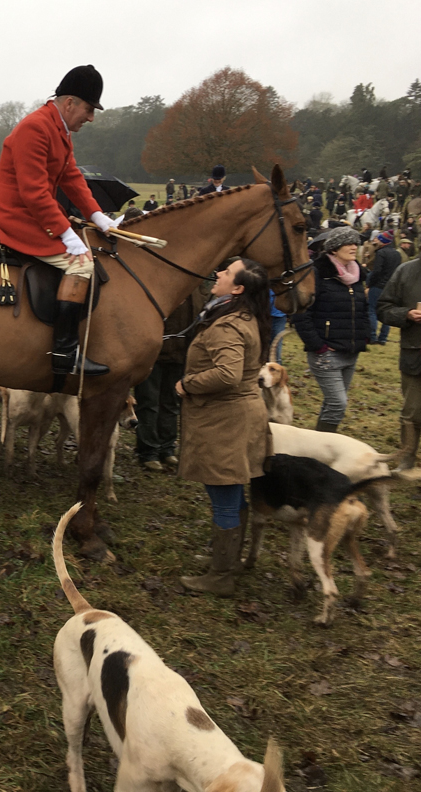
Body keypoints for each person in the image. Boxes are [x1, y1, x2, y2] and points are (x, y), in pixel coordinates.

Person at [0, 64, 118, 377]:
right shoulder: (35, 127)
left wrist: (97, 215)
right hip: (13, 215)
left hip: (30, 211)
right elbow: (34, 192)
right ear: (69, 103)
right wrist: (66, 233)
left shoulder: (59, 129)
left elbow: (70, 175)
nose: (91, 117)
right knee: (81, 263)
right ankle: (65, 353)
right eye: (88, 109)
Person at [176, 257, 272, 596]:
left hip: (226, 421)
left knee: (225, 498)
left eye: (227, 272)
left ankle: (221, 576)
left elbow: (227, 374)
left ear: (239, 288)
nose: (218, 273)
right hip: (240, 416)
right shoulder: (245, 316)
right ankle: (227, 559)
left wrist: (188, 384)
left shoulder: (229, 325)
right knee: (231, 495)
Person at [289, 226, 369, 433]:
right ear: (333, 249)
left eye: (355, 243)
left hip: (350, 351)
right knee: (337, 404)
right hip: (326, 353)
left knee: (332, 403)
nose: (354, 247)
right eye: (348, 243)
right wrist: (318, 346)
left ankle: (319, 444)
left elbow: (362, 309)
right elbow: (301, 313)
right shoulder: (316, 273)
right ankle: (325, 445)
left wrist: (363, 337)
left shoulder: (358, 275)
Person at [378, 219, 421, 468]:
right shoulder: (406, 271)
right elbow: (383, 308)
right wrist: (407, 315)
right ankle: (407, 459)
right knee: (412, 412)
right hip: (414, 354)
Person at [134, 287, 205, 472]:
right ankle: (148, 451)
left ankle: (167, 447)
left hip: (181, 351)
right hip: (154, 351)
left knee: (172, 401)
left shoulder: (196, 283)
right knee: (148, 401)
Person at [367, 230, 399, 344]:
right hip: (390, 286)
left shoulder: (381, 253)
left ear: (383, 241)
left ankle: (372, 336)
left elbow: (377, 271)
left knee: (372, 310)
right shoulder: (397, 253)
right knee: (387, 311)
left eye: (379, 239)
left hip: (378, 285)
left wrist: (370, 283)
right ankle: (383, 338)